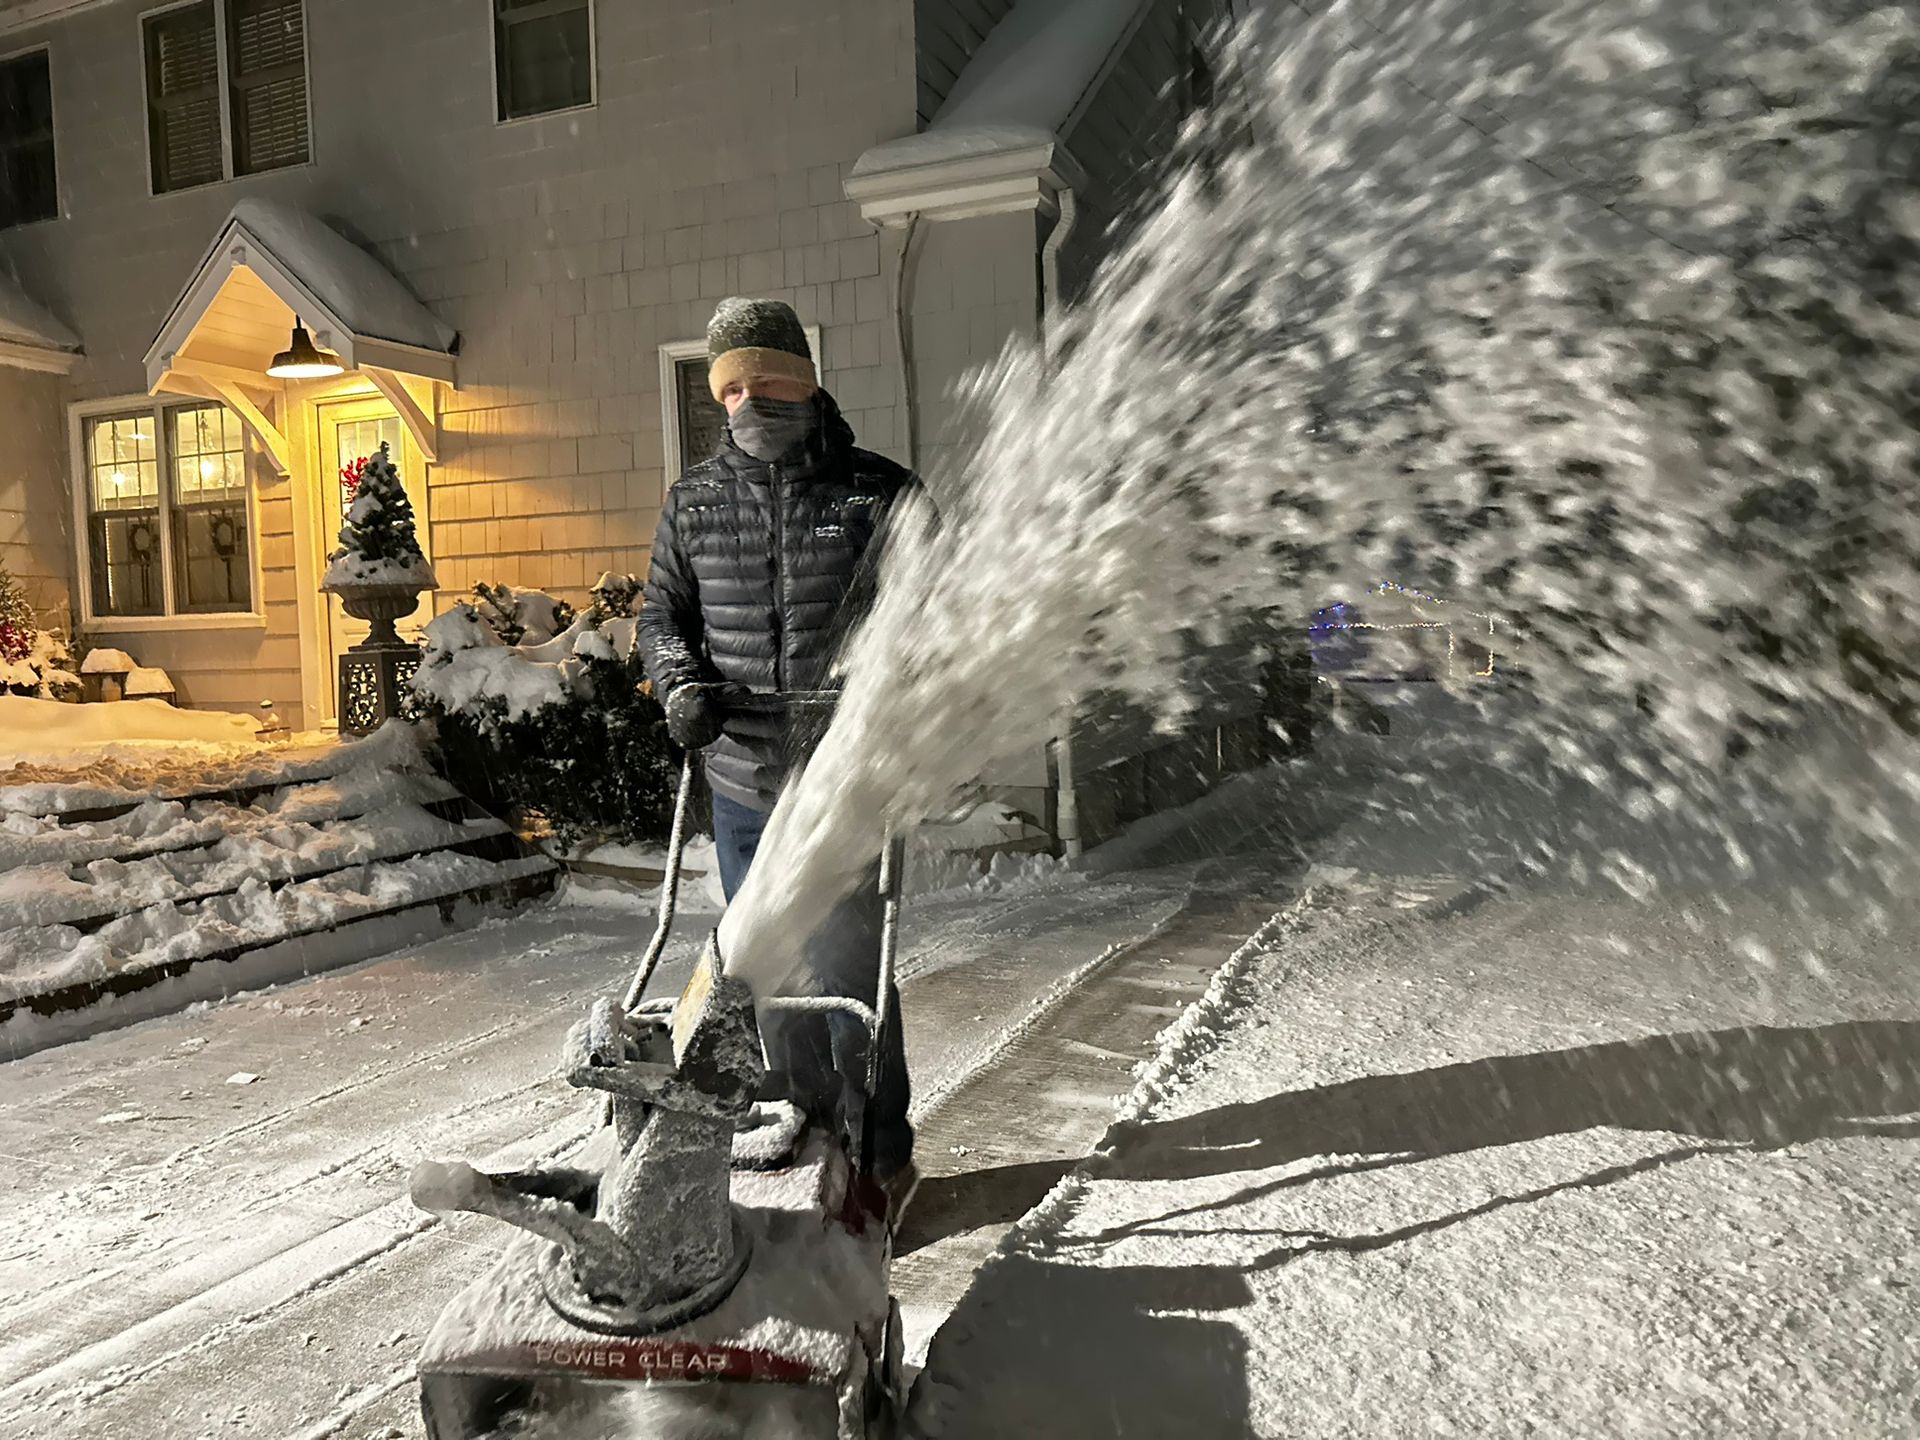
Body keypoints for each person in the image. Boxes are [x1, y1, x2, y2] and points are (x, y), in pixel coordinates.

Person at [637, 297, 919, 1208]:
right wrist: (680, 686)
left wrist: (883, 690)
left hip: (845, 785)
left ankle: (879, 1148)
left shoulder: (878, 495)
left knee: (847, 975)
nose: (747, 400)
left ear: (808, 378)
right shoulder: (694, 503)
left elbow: (935, 615)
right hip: (743, 783)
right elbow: (663, 618)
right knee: (764, 970)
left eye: (765, 380)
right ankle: (799, 1116)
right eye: (729, 388)